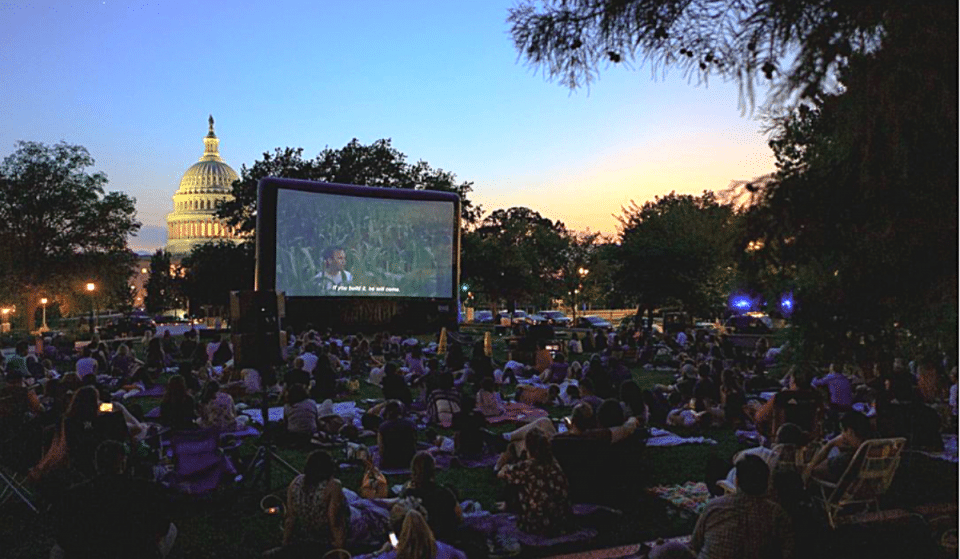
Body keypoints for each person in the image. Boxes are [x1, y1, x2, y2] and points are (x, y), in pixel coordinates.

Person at [52, 440, 176, 559]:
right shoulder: (146, 488)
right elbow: (162, 526)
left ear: (96, 464)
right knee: (172, 529)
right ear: (123, 462)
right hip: (137, 553)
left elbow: (63, 536)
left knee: (57, 550)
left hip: (91, 554)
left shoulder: (74, 494)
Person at [690, 455, 794, 559]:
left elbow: (695, 544)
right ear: (766, 483)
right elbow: (788, 551)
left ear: (737, 481)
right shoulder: (776, 513)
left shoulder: (715, 506)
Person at [497, 428, 573, 536]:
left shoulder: (527, 467)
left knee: (514, 480)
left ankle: (507, 505)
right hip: (562, 520)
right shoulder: (554, 463)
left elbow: (501, 475)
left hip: (537, 524)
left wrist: (506, 467)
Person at [283, 450, 351, 554]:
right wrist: (341, 552)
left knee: (350, 496)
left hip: (309, 533)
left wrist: (285, 543)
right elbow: (336, 522)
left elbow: (290, 518)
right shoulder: (332, 486)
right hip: (328, 537)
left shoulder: (295, 483)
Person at [399, 452, 462, 542]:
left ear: (413, 473)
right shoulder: (445, 493)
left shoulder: (409, 496)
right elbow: (459, 516)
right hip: (446, 538)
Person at [805, 410, 871, 483]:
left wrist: (830, 445)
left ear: (849, 431)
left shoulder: (844, 459)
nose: (842, 435)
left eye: (843, 431)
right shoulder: (873, 450)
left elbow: (814, 471)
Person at [378, 400, 418, 470]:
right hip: (408, 461)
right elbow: (414, 442)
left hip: (389, 462)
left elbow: (381, 449)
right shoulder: (411, 424)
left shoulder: (383, 427)